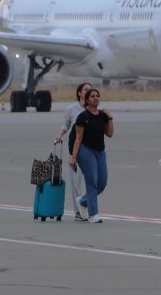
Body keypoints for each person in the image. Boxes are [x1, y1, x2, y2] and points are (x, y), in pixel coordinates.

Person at [69, 88, 113, 223]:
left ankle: (82, 201)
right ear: (87, 100)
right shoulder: (83, 116)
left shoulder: (102, 116)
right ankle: (93, 214)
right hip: (85, 150)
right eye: (92, 96)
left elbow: (110, 134)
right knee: (92, 182)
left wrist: (110, 117)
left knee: (102, 183)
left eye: (97, 96)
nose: (95, 98)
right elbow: (78, 138)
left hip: (100, 152)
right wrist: (74, 157)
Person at [54, 82, 92, 221]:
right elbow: (66, 124)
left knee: (91, 181)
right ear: (80, 93)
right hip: (75, 149)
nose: (89, 91)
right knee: (76, 182)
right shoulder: (71, 109)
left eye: (90, 89)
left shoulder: (93, 109)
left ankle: (88, 208)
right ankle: (78, 212)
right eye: (86, 89)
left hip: (90, 149)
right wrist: (60, 135)